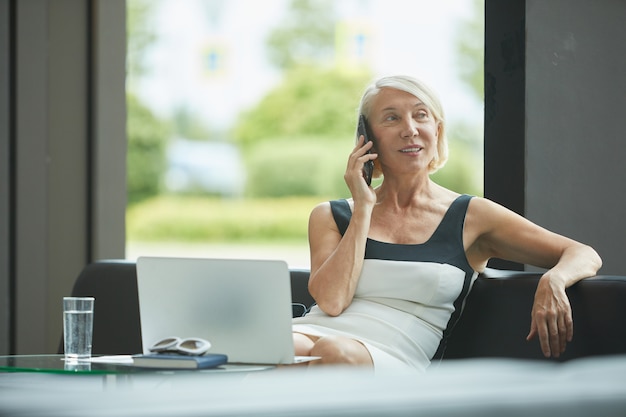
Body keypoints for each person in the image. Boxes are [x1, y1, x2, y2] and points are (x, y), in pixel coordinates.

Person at [292, 75, 602, 373]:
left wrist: (554, 280)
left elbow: (581, 253)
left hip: (390, 357)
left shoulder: (471, 216)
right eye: (391, 118)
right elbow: (331, 302)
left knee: (334, 353)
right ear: (367, 139)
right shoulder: (330, 215)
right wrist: (363, 209)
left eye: (421, 115)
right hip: (318, 334)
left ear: (437, 131)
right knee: (272, 349)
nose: (410, 129)